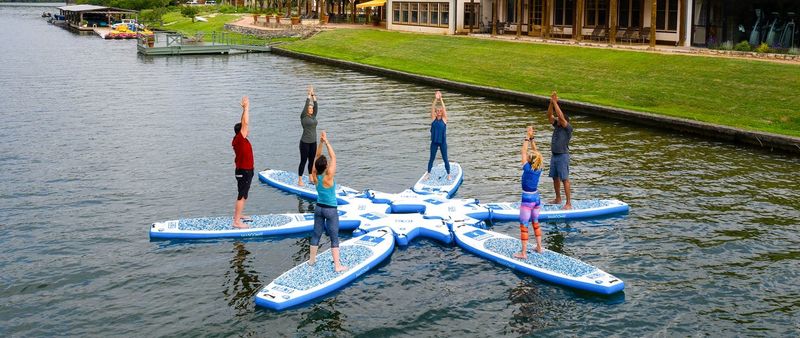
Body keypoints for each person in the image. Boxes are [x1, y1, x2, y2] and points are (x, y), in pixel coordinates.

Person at [308, 131, 348, 273]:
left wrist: (320, 142)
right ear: (326, 167)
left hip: (318, 208)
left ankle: (312, 261)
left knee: (316, 234)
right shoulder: (328, 176)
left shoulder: (314, 174)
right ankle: (337, 266)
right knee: (334, 238)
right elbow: (334, 157)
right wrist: (327, 142)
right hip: (331, 210)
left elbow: (317, 156)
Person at [514, 126, 544, 258]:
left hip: (527, 199)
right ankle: (538, 247)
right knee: (535, 223)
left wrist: (527, 136)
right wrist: (532, 139)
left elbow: (523, 150)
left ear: (529, 160)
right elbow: (536, 153)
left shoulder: (527, 168)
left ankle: (524, 253)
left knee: (524, 225)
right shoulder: (539, 167)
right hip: (536, 198)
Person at [547, 91, 573, 210]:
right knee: (555, 177)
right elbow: (549, 116)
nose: (557, 121)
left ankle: (568, 203)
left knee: (565, 179)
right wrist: (551, 103)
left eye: (559, 120)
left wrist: (555, 102)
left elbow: (560, 116)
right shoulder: (557, 125)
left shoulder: (567, 128)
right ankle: (558, 198)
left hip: (563, 156)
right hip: (554, 156)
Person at [232, 96, 254, 229]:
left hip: (247, 170)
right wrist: (246, 108)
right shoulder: (239, 139)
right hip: (243, 171)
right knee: (241, 195)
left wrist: (245, 110)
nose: (248, 129)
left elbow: (244, 124)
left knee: (244, 194)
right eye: (245, 129)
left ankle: (239, 215)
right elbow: (244, 123)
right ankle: (236, 222)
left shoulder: (240, 139)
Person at [425, 90, 451, 181]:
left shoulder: (444, 120)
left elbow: (444, 109)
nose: (439, 111)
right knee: (431, 158)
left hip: (442, 143)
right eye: (438, 111)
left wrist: (441, 99)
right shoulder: (433, 119)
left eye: (440, 111)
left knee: (445, 159)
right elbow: (432, 108)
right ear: (436, 113)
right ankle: (428, 173)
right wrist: (436, 99)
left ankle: (448, 174)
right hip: (434, 143)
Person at [298, 85, 319, 186]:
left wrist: (313, 94)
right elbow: (307, 104)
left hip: (313, 142)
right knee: (303, 161)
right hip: (305, 142)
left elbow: (316, 105)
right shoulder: (303, 116)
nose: (311, 109)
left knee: (311, 160)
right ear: (307, 110)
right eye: (309, 108)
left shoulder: (314, 116)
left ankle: (310, 176)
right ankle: (300, 179)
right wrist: (308, 95)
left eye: (311, 108)